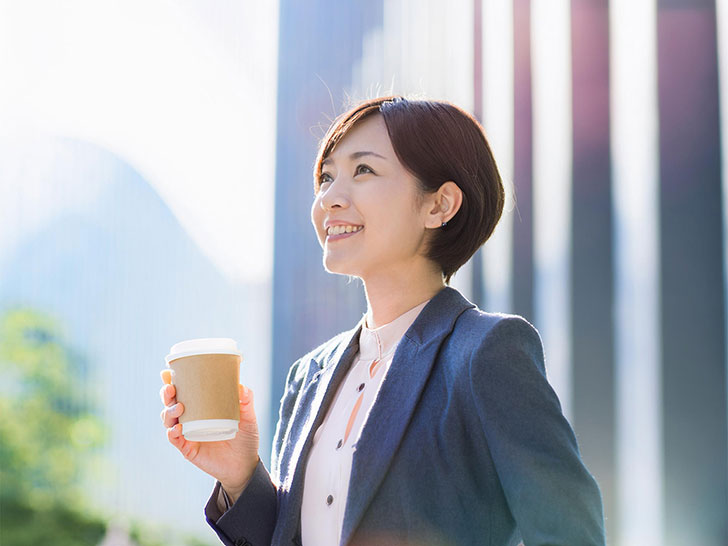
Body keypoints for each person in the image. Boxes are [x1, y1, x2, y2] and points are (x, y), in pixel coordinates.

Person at [160, 96, 606, 546]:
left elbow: (570, 532)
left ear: (439, 205)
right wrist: (241, 478)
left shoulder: (485, 352)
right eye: (327, 177)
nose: (329, 199)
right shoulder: (309, 375)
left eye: (364, 171)